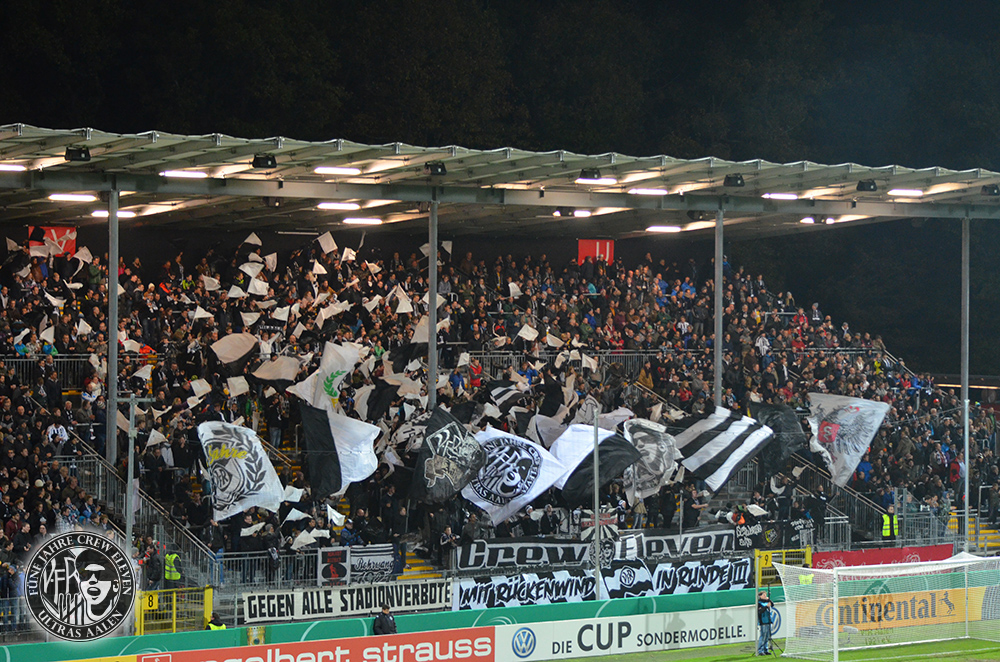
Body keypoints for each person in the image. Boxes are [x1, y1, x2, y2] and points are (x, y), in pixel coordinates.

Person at [757, 591, 774, 656]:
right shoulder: (759, 603)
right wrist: (766, 606)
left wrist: (769, 600)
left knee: (767, 636)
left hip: (768, 621)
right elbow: (760, 611)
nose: (765, 596)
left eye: (765, 595)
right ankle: (760, 650)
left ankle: (766, 649)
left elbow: (772, 604)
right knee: (763, 636)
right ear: (760, 596)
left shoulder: (767, 601)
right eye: (763, 595)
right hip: (763, 621)